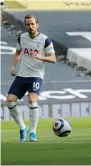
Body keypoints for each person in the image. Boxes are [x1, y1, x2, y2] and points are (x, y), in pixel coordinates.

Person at [6, 14, 56, 142]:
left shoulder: (45, 40)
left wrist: (41, 57)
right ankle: (23, 128)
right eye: (28, 24)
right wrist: (13, 66)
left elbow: (53, 58)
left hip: (36, 76)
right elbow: (17, 53)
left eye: (32, 24)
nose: (30, 26)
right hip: (22, 75)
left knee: (32, 99)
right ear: (25, 25)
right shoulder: (21, 38)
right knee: (10, 101)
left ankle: (33, 132)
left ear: (37, 24)